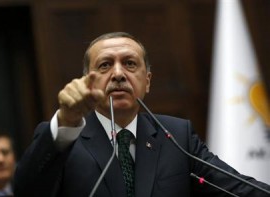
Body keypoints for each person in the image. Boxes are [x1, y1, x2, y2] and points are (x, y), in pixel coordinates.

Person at [14, 32, 270, 197]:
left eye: (129, 63)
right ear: (87, 81)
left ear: (147, 81)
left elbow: (238, 188)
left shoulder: (177, 136)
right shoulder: (64, 138)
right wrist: (67, 121)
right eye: (105, 65)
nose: (118, 74)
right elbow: (27, 192)